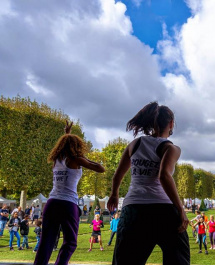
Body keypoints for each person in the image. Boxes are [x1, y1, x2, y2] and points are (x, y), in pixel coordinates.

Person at [107, 102, 190, 265]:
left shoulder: (134, 144)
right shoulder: (171, 148)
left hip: (134, 210)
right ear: (171, 123)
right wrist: (181, 209)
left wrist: (114, 195)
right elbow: (164, 176)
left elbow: (117, 175)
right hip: (163, 210)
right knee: (178, 258)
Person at [34, 121, 105, 265]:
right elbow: (100, 168)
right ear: (77, 147)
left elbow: (65, 149)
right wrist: (83, 157)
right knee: (70, 242)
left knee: (46, 241)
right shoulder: (77, 159)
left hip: (52, 202)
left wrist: (67, 135)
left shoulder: (56, 160)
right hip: (68, 204)